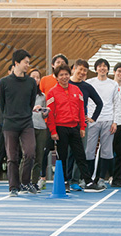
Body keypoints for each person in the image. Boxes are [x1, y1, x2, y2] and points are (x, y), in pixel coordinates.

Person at [46, 64, 105, 193]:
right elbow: (50, 114)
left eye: (66, 74)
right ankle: (65, 182)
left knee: (80, 155)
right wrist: (53, 131)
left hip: (75, 128)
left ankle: (88, 182)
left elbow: (80, 110)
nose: (64, 77)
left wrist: (82, 127)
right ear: (56, 77)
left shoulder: (76, 91)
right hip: (61, 128)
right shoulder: (52, 92)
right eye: (61, 75)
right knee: (63, 156)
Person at [0, 49, 38, 197]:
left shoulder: (31, 82)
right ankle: (13, 186)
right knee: (12, 157)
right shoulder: (4, 82)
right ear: (16, 63)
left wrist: (25, 114)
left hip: (26, 122)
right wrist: (9, 117)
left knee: (30, 152)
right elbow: (2, 105)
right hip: (10, 124)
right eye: (25, 62)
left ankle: (25, 182)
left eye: (28, 62)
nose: (28, 65)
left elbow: (31, 102)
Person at [66, 59, 104, 191]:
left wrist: (92, 118)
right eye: (80, 69)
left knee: (79, 153)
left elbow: (100, 103)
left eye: (85, 71)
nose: (82, 72)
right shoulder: (65, 83)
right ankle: (66, 180)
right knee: (67, 153)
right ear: (73, 69)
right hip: (65, 123)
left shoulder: (87, 87)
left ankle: (75, 180)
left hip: (81, 124)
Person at [86, 58, 119, 189]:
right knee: (89, 150)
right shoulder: (89, 83)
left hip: (108, 119)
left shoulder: (113, 84)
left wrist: (115, 122)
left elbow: (117, 104)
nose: (102, 68)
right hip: (93, 120)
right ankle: (88, 178)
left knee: (106, 151)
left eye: (105, 66)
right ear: (96, 69)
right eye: (99, 66)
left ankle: (100, 178)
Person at [38, 54, 69, 190]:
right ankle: (42, 178)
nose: (59, 64)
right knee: (44, 151)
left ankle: (64, 179)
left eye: (62, 62)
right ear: (52, 65)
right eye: (57, 62)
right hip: (46, 122)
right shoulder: (45, 80)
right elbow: (40, 99)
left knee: (62, 152)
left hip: (62, 123)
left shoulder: (67, 82)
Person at [28, 68, 49, 192]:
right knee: (28, 155)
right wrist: (32, 108)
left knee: (39, 157)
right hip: (28, 127)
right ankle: (23, 181)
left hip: (41, 127)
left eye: (38, 77)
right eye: (33, 77)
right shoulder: (24, 93)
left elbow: (44, 114)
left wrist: (45, 112)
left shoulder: (42, 96)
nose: (36, 79)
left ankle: (35, 182)